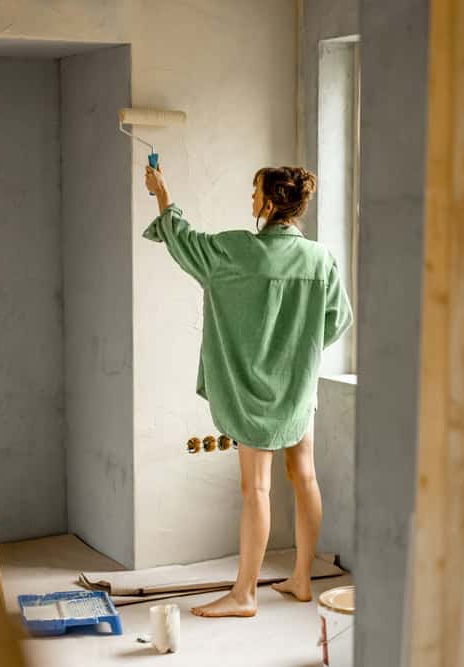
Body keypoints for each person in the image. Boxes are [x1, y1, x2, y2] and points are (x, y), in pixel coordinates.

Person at [142, 163, 353, 618]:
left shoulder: (236, 251)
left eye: (255, 192)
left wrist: (162, 193)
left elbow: (184, 241)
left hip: (253, 394)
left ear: (271, 204)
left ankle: (245, 594)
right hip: (298, 390)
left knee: (257, 488)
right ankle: (301, 578)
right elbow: (338, 321)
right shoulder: (320, 258)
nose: (250, 200)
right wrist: (300, 351)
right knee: (306, 477)